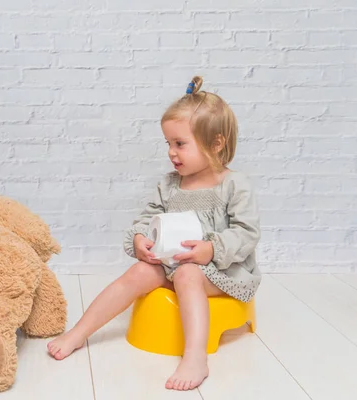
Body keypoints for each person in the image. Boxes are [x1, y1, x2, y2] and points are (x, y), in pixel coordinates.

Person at [48, 76, 261, 391]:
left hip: (222, 269)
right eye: (169, 144)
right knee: (137, 273)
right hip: (174, 263)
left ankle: (195, 356)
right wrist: (140, 240)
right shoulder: (170, 184)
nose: (172, 153)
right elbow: (147, 218)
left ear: (216, 144)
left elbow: (247, 233)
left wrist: (211, 249)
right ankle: (80, 332)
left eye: (180, 144)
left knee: (189, 273)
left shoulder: (233, 184)